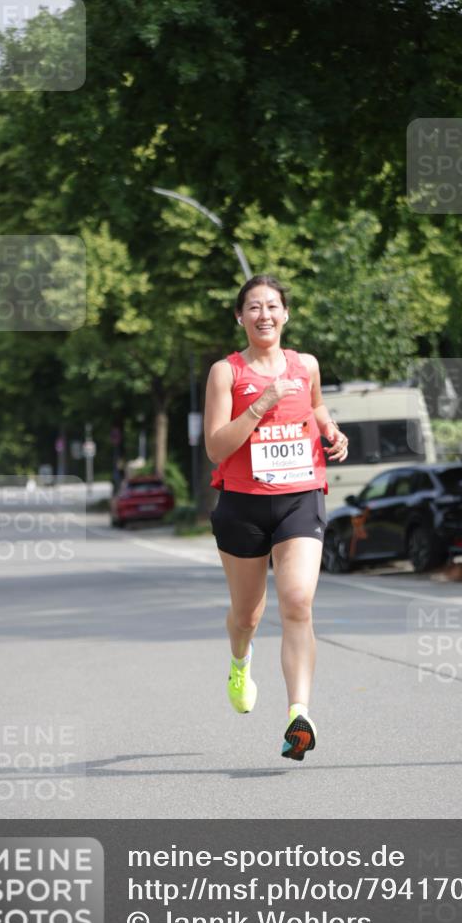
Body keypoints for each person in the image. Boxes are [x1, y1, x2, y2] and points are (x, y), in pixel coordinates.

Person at [204, 275, 348, 761]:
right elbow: (215, 446)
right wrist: (261, 404)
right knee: (247, 615)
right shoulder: (226, 372)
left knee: (298, 602)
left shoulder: (305, 365)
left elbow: (316, 403)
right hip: (242, 504)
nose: (264, 315)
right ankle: (240, 661)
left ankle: (298, 715)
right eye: (253, 307)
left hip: (300, 497)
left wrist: (329, 427)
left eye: (272, 306)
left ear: (286, 314)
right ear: (240, 318)